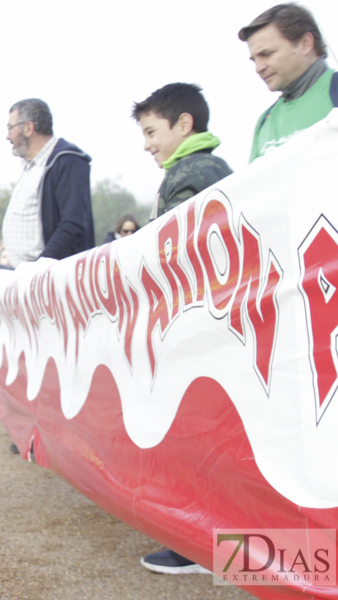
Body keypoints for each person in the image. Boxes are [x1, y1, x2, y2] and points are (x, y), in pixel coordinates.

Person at [129, 83, 236, 576]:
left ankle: (200, 544)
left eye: (152, 131)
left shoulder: (195, 174)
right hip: (208, 328)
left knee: (198, 437)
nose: (146, 142)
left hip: (201, 328)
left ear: (184, 124)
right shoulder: (191, 171)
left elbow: (179, 258)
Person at [240, 3, 338, 162]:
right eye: (254, 60)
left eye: (267, 54)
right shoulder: (265, 122)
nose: (259, 68)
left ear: (305, 43)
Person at [1, 98, 94, 267]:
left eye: (10, 128)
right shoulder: (33, 165)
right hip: (29, 277)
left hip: (50, 278)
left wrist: (41, 268)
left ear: (28, 128)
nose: (8, 136)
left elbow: (72, 225)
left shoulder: (67, 161)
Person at [133, 82, 234, 222]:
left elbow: (176, 238)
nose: (146, 146)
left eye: (151, 133)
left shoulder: (187, 174)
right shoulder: (218, 167)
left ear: (184, 125)